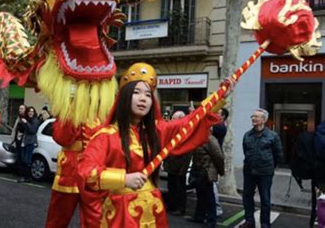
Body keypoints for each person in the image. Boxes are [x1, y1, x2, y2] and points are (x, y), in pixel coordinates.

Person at [78, 63, 234, 227]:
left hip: (152, 210)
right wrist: (123, 179)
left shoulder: (155, 132)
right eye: (136, 92)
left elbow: (192, 122)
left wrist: (220, 95)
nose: (143, 98)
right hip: (119, 214)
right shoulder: (105, 136)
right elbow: (86, 173)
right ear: (124, 97)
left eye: (148, 94)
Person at [240, 108, 283, 228]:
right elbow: (246, 151)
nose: (253, 118)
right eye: (252, 116)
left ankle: (265, 223)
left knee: (265, 198)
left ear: (263, 120)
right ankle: (249, 221)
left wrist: (269, 167)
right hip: (249, 171)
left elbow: (278, 154)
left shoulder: (272, 136)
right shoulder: (247, 135)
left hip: (265, 172)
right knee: (247, 196)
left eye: (256, 117)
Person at [188, 132, 225, 227]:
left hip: (207, 171)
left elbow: (218, 156)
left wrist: (221, 171)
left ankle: (211, 220)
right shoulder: (199, 136)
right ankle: (199, 216)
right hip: (198, 170)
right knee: (200, 195)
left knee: (209, 196)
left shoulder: (211, 139)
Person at [164, 110, 191, 216]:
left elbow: (188, 153)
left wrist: (183, 170)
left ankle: (181, 208)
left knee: (180, 189)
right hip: (171, 166)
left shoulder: (186, 133)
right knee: (171, 187)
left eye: (174, 119)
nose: (172, 120)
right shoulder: (173, 131)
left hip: (180, 168)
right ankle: (171, 205)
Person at [212, 107, 229, 217]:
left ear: (222, 116)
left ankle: (217, 208)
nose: (215, 115)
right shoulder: (219, 125)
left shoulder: (220, 126)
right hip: (211, 158)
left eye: (217, 113)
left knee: (213, 185)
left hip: (213, 159)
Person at [17, 106, 40, 183]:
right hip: (24, 140)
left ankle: (27, 177)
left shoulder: (35, 120)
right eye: (29, 111)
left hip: (30, 142)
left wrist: (25, 122)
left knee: (27, 159)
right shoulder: (26, 119)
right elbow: (21, 129)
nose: (31, 113)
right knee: (23, 158)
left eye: (32, 111)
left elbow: (32, 130)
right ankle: (24, 176)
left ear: (34, 113)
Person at [11, 104, 26, 177]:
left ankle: (22, 172)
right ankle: (18, 170)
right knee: (18, 155)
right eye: (19, 108)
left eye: (22, 109)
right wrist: (13, 139)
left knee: (22, 156)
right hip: (17, 139)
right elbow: (15, 129)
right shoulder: (18, 118)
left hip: (22, 140)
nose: (20, 110)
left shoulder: (25, 118)